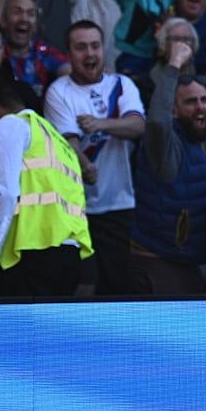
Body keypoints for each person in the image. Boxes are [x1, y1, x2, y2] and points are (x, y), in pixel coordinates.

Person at [44, 21, 146, 295]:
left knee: (118, 286)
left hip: (118, 205)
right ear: (69, 53)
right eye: (81, 47)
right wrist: (85, 165)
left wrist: (100, 124)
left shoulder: (121, 84)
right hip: (76, 209)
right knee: (81, 287)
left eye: (95, 46)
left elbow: (137, 126)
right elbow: (68, 143)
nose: (89, 54)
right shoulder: (58, 91)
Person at [0, 74, 94, 297]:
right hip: (70, 255)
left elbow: (5, 193)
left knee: (12, 330)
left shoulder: (10, 124)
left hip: (34, 253)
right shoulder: (56, 139)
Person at [128, 42, 206, 294]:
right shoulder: (164, 143)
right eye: (191, 102)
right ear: (174, 110)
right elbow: (157, 120)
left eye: (204, 100)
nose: (200, 106)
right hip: (156, 260)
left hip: (188, 261)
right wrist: (173, 66)